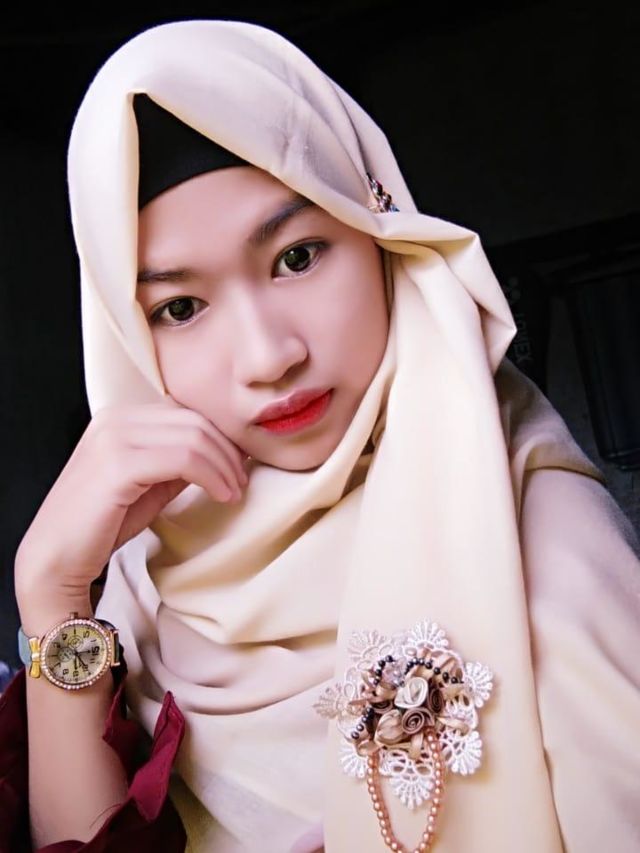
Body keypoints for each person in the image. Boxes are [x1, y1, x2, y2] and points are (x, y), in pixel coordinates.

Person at [1, 17, 640, 853]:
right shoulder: (141, 572)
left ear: (379, 237)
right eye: (180, 308)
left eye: (298, 256)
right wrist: (52, 595)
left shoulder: (533, 536)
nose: (269, 355)